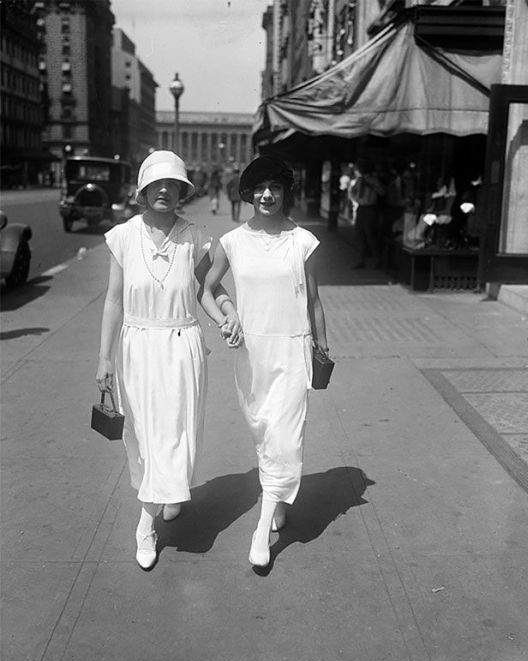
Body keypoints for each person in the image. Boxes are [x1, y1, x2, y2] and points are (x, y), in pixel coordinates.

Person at [96, 150, 240, 570]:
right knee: (144, 434)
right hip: (137, 346)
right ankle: (158, 503)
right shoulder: (123, 236)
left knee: (176, 431)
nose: (164, 190)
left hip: (181, 345)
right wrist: (104, 358)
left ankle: (149, 518)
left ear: (181, 192)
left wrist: (227, 315)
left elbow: (207, 289)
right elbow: (113, 301)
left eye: (172, 185)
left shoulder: (194, 237)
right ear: (143, 191)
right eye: (155, 184)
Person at [201, 155, 329, 568]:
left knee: (285, 437)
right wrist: (226, 318)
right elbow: (205, 289)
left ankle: (261, 529)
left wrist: (323, 349)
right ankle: (277, 496)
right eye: (260, 188)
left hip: (293, 349)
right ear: (249, 194)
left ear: (285, 192)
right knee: (263, 432)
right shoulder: (231, 242)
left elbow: (313, 300)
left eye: (275, 188)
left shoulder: (303, 241)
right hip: (251, 352)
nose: (267, 195)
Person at [348, 158, 387, 269]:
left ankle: (378, 259)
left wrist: (373, 186)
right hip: (361, 208)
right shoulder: (359, 180)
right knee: (359, 234)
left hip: (370, 208)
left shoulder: (373, 180)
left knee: (371, 234)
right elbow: (353, 192)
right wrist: (356, 199)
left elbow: (382, 192)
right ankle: (361, 260)